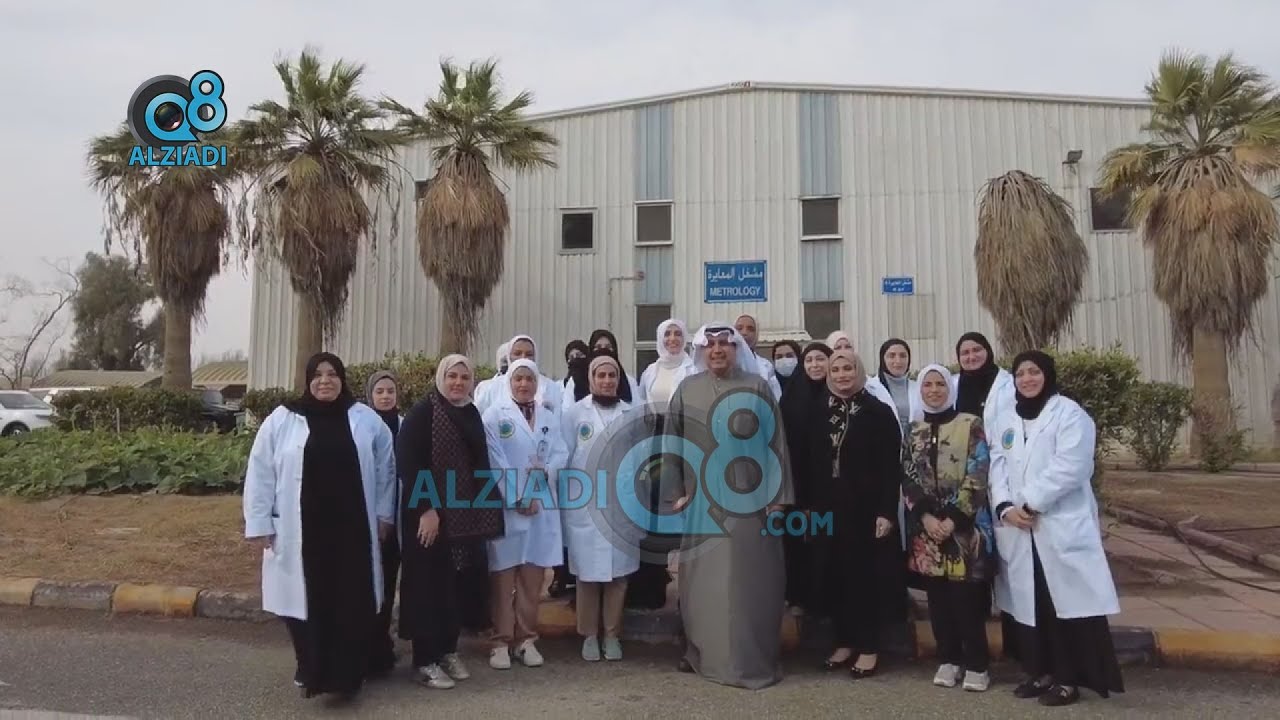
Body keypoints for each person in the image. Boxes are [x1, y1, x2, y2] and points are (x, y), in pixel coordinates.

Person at [243, 352, 396, 700]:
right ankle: (310, 670)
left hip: (352, 529)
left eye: (332, 374)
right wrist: (260, 521)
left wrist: (384, 514)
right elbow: (261, 471)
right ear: (308, 380)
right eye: (318, 374)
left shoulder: (365, 418)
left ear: (342, 379)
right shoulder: (283, 419)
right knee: (305, 602)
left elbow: (386, 467)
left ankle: (347, 677)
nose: (325, 381)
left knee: (351, 599)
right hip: (302, 529)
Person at [989, 351, 1124, 708]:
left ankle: (1068, 679)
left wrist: (1030, 503)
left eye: (1034, 372)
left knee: (1061, 606)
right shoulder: (1006, 418)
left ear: (1047, 375)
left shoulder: (1069, 414)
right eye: (1020, 373)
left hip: (1057, 525)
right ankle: (1040, 672)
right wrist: (1004, 507)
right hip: (1019, 529)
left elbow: (1072, 466)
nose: (1027, 379)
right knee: (1030, 606)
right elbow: (997, 466)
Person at [668, 323, 795, 689]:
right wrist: (677, 490)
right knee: (703, 584)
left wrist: (778, 499)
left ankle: (749, 660)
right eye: (710, 345)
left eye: (725, 343)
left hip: (751, 504)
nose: (717, 350)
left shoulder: (757, 387)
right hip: (702, 504)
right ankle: (702, 654)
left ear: (737, 349)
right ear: (701, 351)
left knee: (748, 583)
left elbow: (776, 445)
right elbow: (672, 441)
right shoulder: (687, 389)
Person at [396, 355, 505, 690]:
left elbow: (480, 462)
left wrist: (485, 509)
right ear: (441, 378)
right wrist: (426, 510)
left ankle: (447, 650)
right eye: (452, 376)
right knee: (428, 587)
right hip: (428, 516)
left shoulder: (470, 412)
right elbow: (409, 464)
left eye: (464, 377)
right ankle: (424, 661)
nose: (458, 382)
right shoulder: (422, 414)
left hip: (462, 518)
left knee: (455, 587)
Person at [797, 349, 905, 679]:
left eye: (848, 368)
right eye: (836, 369)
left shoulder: (877, 411)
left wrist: (886, 511)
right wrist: (806, 507)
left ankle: (868, 646)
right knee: (833, 575)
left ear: (858, 371)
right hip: (827, 508)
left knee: (864, 578)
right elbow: (806, 462)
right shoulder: (817, 411)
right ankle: (843, 641)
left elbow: (891, 467)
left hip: (865, 510)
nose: (842, 374)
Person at [901, 364, 995, 692]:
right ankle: (948, 659)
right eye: (927, 385)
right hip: (927, 531)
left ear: (949, 388)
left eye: (940, 384)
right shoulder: (913, 430)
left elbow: (978, 473)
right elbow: (907, 476)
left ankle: (978, 664)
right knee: (938, 601)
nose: (934, 390)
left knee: (966, 599)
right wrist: (927, 518)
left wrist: (953, 518)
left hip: (965, 529)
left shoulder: (970, 424)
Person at [481, 358, 568, 671]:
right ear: (509, 382)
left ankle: (526, 639)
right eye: (518, 379)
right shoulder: (494, 416)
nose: (523, 384)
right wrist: (518, 496)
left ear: (536, 383)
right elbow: (495, 461)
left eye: (529, 379)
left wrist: (545, 473)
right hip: (510, 507)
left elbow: (560, 453)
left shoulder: (549, 417)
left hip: (541, 506)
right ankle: (500, 641)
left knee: (532, 581)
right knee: (503, 581)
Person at [562, 353, 640, 662]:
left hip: (622, 504)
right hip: (585, 504)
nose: (607, 381)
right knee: (588, 575)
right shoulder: (574, 414)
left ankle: (611, 634)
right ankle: (589, 636)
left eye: (612, 375)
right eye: (601, 375)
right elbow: (564, 456)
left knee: (619, 576)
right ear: (591, 379)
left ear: (619, 380)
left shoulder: (631, 413)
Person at [950, 331, 1016, 655]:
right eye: (965, 352)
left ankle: (1013, 631)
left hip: (1002, 476)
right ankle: (980, 613)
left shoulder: (1007, 385)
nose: (971, 356)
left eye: (977, 350)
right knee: (975, 554)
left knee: (1006, 558)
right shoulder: (954, 385)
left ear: (988, 351)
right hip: (965, 482)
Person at [777, 341, 832, 614]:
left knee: (828, 545)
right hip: (797, 486)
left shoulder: (841, 397)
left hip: (832, 489)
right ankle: (797, 597)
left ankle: (826, 601)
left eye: (821, 359)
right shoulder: (791, 398)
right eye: (809, 360)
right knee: (797, 543)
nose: (815, 365)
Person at [364, 369, 405, 677]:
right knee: (368, 584)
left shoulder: (406, 425)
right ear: (370, 396)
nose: (386, 396)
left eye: (390, 391)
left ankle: (383, 643)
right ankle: (367, 646)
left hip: (401, 517)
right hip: (369, 517)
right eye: (379, 391)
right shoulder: (362, 427)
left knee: (389, 582)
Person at [550, 341, 591, 599]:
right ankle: (560, 574)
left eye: (580, 355)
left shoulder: (593, 388)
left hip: (589, 468)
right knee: (562, 526)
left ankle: (580, 576)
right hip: (563, 466)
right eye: (571, 355)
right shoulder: (558, 388)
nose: (575, 359)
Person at [865, 338, 922, 438]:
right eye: (892, 356)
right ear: (882, 359)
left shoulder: (919, 388)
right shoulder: (868, 388)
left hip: (915, 444)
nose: (898, 361)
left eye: (903, 356)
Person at [505, 335, 564, 410]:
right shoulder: (494, 387)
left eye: (529, 354)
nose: (523, 358)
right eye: (517, 353)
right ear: (509, 356)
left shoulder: (551, 387)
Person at [733, 314, 783, 400]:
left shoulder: (766, 366)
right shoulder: (725, 362)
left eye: (750, 329)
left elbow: (775, 397)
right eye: (739, 328)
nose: (744, 333)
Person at [473, 341, 512, 414]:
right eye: (504, 361)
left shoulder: (533, 385)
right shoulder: (485, 386)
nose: (506, 365)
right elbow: (477, 412)